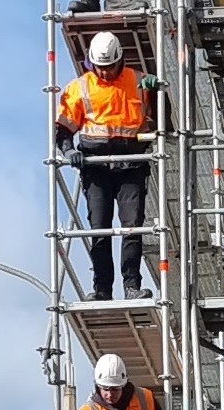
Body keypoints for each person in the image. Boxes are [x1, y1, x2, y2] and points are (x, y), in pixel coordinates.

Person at [57, 33, 157, 300]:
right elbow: (63, 129)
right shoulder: (79, 88)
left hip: (131, 165)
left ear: (119, 60)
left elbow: (161, 124)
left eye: (109, 66)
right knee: (100, 228)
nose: (104, 72)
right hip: (96, 167)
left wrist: (158, 94)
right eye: (99, 67)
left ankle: (132, 286)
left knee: (132, 227)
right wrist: (69, 151)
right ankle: (102, 289)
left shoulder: (138, 81)